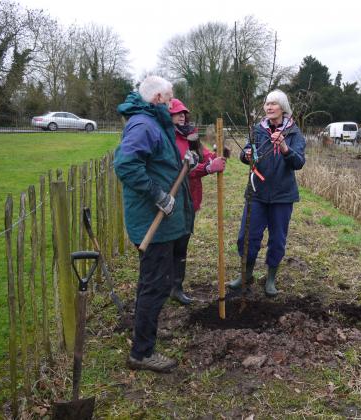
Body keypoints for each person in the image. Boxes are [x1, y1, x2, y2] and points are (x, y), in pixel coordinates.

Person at [114, 75, 198, 373]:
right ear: (159, 98)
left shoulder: (154, 123)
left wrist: (184, 161)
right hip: (152, 222)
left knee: (152, 283)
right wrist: (157, 194)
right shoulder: (143, 124)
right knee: (156, 285)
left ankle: (143, 335)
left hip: (162, 222)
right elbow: (126, 165)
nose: (173, 99)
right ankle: (142, 352)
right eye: (170, 94)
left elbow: (157, 162)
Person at [228, 89, 306, 296]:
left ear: (283, 108)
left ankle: (270, 279)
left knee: (277, 239)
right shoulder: (257, 129)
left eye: (274, 104)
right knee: (247, 236)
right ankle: (246, 274)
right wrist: (246, 155)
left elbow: (299, 162)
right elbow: (246, 153)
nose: (269, 107)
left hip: (282, 195)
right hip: (257, 193)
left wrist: (285, 149)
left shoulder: (293, 133)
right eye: (267, 103)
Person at [168, 98, 226, 305]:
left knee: (182, 243)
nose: (182, 115)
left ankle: (176, 287)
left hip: (191, 199)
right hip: (173, 199)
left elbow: (204, 155)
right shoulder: (168, 139)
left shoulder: (190, 136)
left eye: (184, 112)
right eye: (177, 112)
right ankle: (164, 285)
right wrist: (208, 169)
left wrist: (216, 157)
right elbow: (181, 171)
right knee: (169, 244)